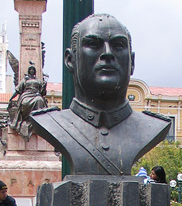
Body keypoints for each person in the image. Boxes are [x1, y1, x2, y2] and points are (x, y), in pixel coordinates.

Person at [30, 14, 171, 175]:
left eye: (118, 45)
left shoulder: (153, 127)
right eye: (93, 44)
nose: (108, 53)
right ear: (70, 60)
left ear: (132, 62)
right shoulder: (49, 122)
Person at [7, 64, 48, 141]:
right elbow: (17, 90)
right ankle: (26, 118)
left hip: (36, 95)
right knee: (24, 103)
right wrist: (11, 98)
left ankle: (38, 121)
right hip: (26, 95)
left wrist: (45, 85)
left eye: (33, 69)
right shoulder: (25, 80)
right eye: (30, 69)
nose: (32, 70)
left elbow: (43, 93)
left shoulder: (39, 81)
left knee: (39, 100)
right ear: (29, 71)